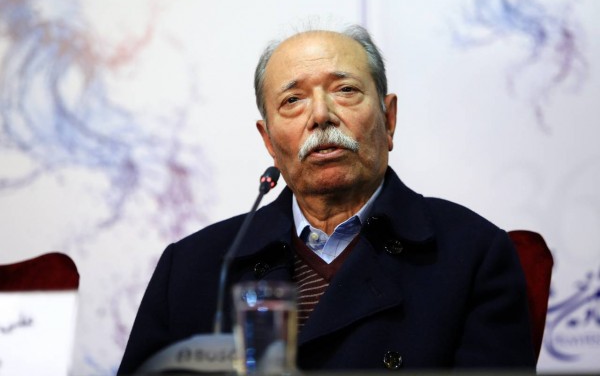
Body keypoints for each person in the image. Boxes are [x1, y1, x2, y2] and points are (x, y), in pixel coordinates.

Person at [118, 24, 535, 373]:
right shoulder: (194, 267)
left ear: (389, 119)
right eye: (293, 100)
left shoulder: (472, 254)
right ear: (268, 141)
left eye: (345, 90)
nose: (321, 115)